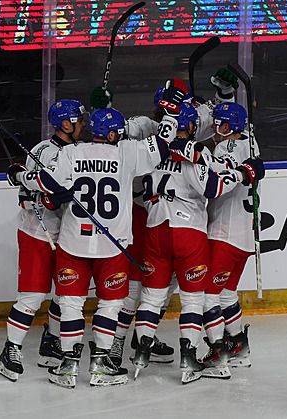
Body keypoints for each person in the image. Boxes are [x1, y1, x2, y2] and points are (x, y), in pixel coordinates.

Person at [8, 105, 173, 388]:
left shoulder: (72, 153)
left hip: (73, 243)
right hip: (112, 244)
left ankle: (68, 365)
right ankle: (100, 363)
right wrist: (170, 114)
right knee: (111, 304)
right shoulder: (127, 152)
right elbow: (163, 144)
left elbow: (46, 181)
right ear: (111, 134)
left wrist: (22, 176)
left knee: (71, 303)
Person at [89, 68, 240, 367]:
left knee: (159, 289)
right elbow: (108, 134)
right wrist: (103, 109)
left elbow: (224, 120)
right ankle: (119, 344)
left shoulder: (185, 117)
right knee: (137, 289)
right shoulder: (147, 126)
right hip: (143, 216)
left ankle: (142, 340)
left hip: (155, 219)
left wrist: (225, 93)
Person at [131, 80, 264, 385]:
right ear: (190, 126)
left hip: (156, 230)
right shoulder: (203, 152)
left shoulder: (148, 153)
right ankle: (198, 355)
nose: (212, 129)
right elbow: (213, 186)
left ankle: (141, 354)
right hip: (194, 232)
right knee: (197, 299)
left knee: (151, 299)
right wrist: (244, 171)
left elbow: (136, 188)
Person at [0, 99, 87, 382]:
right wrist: (36, 188)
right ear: (65, 124)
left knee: (65, 294)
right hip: (38, 232)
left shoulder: (80, 150)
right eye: (79, 120)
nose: (83, 124)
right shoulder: (42, 151)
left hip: (69, 234)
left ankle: (51, 341)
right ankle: (10, 349)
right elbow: (33, 190)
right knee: (33, 296)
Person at [201, 101, 261, 377]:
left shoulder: (224, 148)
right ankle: (238, 347)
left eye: (216, 123)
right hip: (246, 238)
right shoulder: (252, 144)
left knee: (206, 297)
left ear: (226, 127)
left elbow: (213, 186)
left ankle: (218, 355)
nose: (212, 128)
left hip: (224, 235)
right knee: (226, 294)